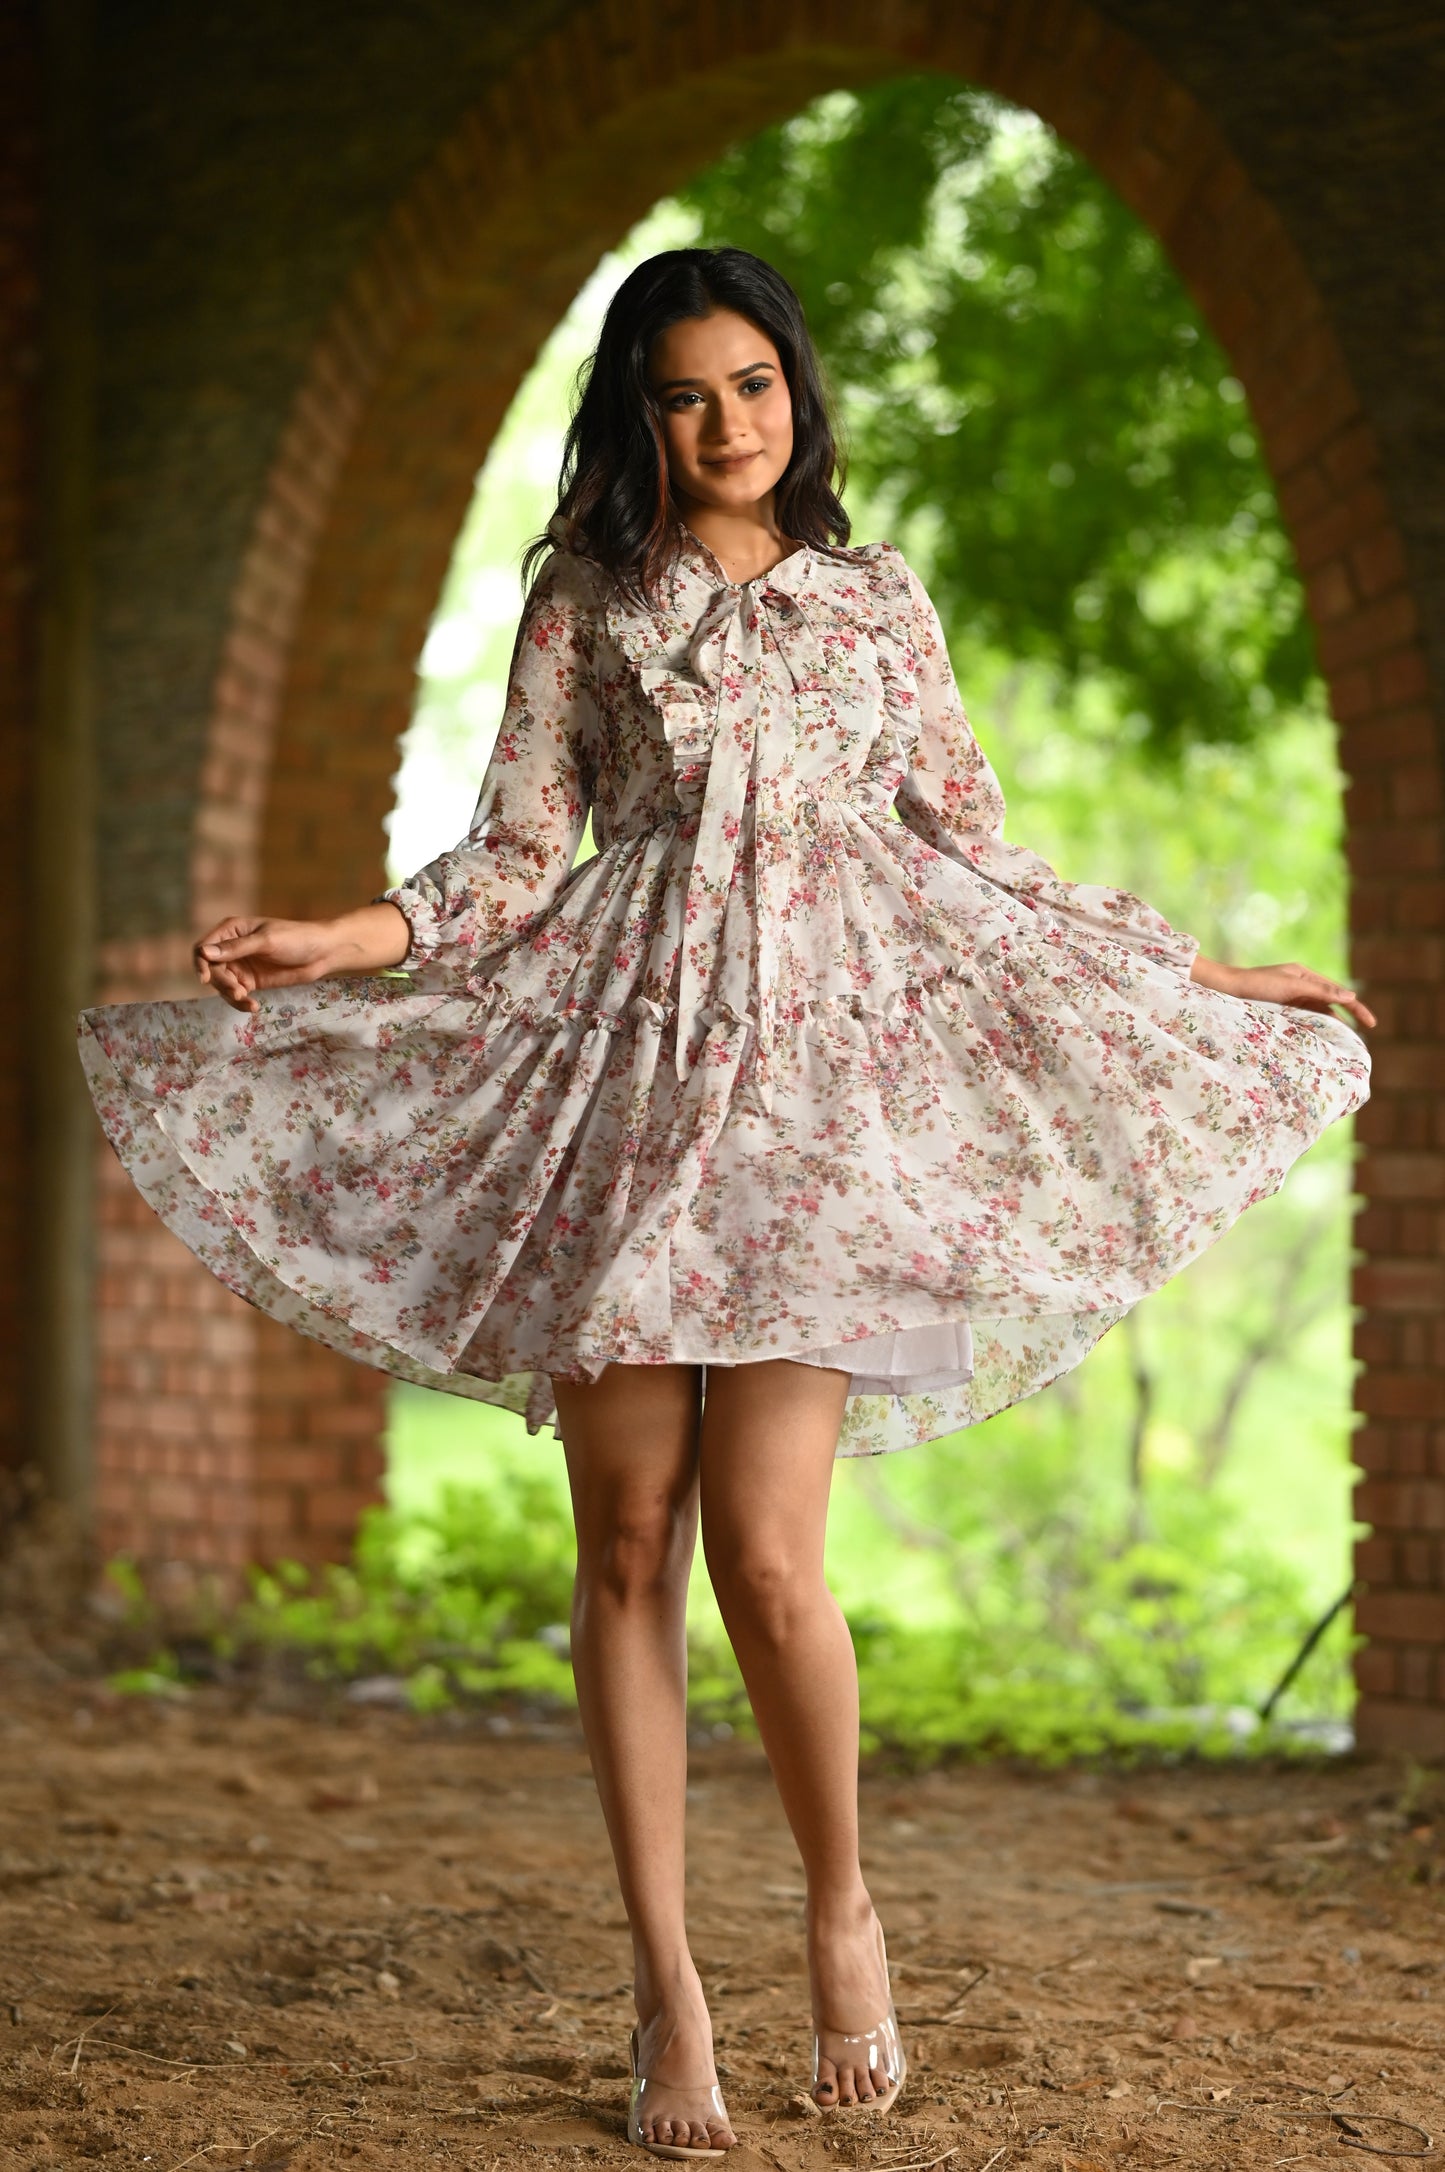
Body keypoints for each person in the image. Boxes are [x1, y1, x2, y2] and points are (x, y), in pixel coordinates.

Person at [79, 247, 1375, 2161]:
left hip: (817, 1117)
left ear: (798, 394)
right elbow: (515, 856)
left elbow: (970, 845)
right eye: (685, 394)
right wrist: (346, 937)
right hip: (626, 1078)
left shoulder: (875, 602)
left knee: (767, 1561)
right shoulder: (587, 603)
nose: (727, 423)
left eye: (754, 383)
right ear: (638, 415)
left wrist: (1195, 972)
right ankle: (666, 1989)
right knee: (627, 1541)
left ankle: (840, 1908)